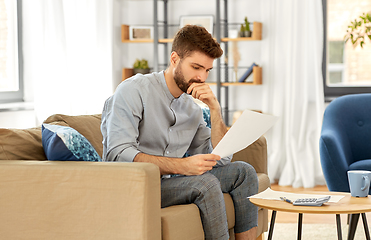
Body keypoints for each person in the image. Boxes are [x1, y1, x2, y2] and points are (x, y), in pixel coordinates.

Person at [101, 25, 258, 240]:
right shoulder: (133, 90)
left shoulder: (193, 108)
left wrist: (215, 110)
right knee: (205, 184)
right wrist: (182, 165)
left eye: (207, 70)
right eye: (196, 67)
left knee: (244, 173)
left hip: (173, 183)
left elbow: (220, 160)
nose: (202, 77)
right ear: (175, 59)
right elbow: (117, 154)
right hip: (136, 185)